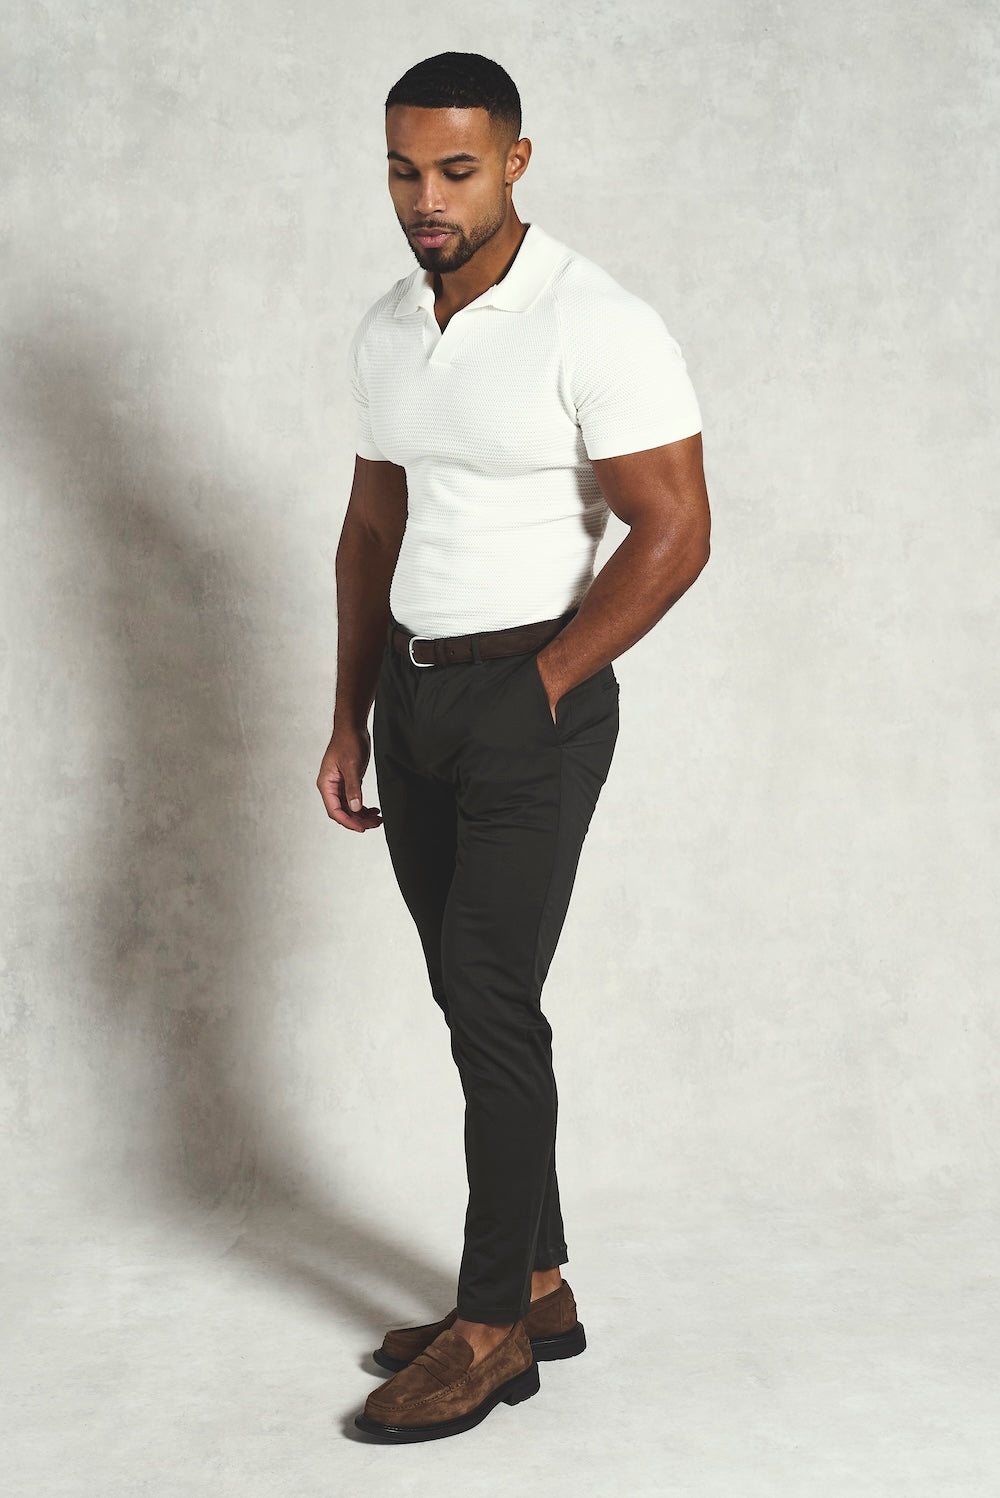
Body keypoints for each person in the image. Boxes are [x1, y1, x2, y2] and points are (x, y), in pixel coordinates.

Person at [316, 50, 711, 1443]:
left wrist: (541, 685)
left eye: (457, 169)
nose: (426, 197)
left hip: (536, 697)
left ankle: (489, 1332)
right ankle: (536, 1281)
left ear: (516, 164)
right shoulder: (389, 327)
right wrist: (350, 712)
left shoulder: (595, 321)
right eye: (403, 170)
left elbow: (677, 530)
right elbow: (373, 525)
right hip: (415, 695)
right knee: (471, 995)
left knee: (489, 998)